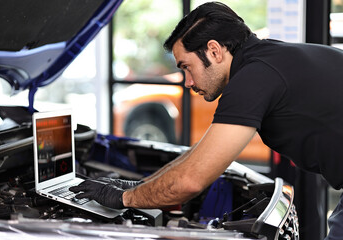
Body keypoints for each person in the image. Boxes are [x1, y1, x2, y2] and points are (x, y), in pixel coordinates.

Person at [70, 2, 343, 239]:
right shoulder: (268, 59)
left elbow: (190, 181)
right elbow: (199, 155)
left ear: (214, 51)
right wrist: (139, 187)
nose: (187, 82)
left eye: (186, 67)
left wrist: (122, 199)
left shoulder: (254, 77)